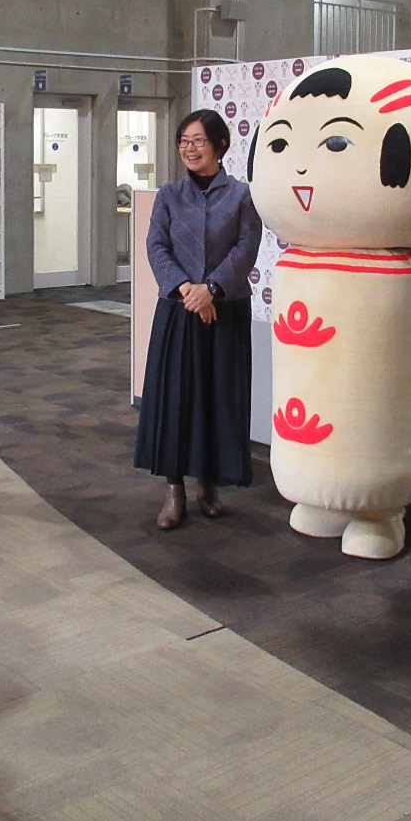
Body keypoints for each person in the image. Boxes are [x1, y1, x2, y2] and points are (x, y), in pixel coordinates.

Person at [134, 109, 262, 529]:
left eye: (198, 141)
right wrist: (188, 290)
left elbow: (246, 248)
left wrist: (213, 289)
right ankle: (174, 490)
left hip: (225, 312)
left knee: (218, 396)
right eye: (183, 141)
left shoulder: (242, 195)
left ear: (220, 145)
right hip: (178, 310)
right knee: (175, 398)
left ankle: (210, 483)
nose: (189, 149)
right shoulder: (170, 195)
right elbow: (157, 247)